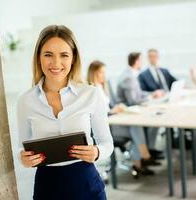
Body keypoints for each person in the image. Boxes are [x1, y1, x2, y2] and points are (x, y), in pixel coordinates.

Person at [17, 25, 113, 200]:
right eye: (48, 55)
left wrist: (97, 152)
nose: (56, 63)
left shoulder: (91, 94)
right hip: (47, 186)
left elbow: (107, 143)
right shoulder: (26, 101)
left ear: (73, 58)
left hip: (86, 184)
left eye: (64, 55)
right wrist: (23, 158)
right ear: (39, 57)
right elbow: (21, 146)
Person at [87, 60, 159, 177]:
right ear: (94, 73)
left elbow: (111, 105)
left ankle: (140, 161)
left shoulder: (103, 87)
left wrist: (118, 107)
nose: (104, 75)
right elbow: (95, 116)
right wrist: (111, 112)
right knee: (136, 130)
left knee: (137, 127)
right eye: (102, 72)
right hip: (107, 127)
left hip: (114, 121)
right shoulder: (90, 91)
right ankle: (142, 160)